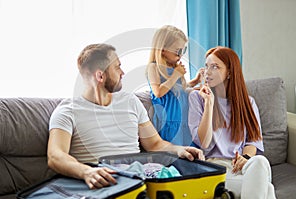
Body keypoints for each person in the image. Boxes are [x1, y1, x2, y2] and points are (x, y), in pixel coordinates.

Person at [47, 43, 204, 190]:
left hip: (138, 181)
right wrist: (85, 172)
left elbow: (155, 144)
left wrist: (180, 150)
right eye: (117, 68)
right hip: (104, 185)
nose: (123, 73)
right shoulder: (67, 111)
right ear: (100, 76)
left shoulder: (130, 102)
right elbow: (55, 156)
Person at [188, 46, 276, 199]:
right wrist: (209, 104)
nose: (207, 72)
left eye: (215, 67)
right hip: (215, 168)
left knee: (260, 162)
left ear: (229, 72)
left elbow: (253, 141)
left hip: (241, 166)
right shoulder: (197, 98)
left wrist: (245, 159)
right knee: (267, 189)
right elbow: (204, 143)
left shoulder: (248, 102)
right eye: (206, 66)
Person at [146, 25, 202, 146]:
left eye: (183, 51)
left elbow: (180, 88)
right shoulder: (154, 67)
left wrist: (195, 81)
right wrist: (176, 75)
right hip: (169, 121)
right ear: (163, 49)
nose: (180, 55)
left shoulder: (174, 68)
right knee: (175, 154)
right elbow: (158, 92)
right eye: (178, 51)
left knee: (190, 151)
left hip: (184, 118)